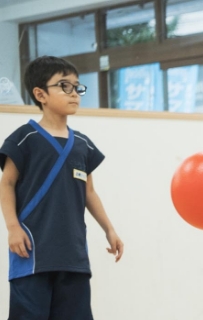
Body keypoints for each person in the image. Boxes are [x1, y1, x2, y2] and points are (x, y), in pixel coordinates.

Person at [0, 56, 124, 319]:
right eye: (64, 86)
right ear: (40, 94)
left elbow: (90, 193)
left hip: (73, 257)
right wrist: (12, 228)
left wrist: (109, 229)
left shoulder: (83, 144)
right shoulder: (25, 138)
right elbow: (6, 183)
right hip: (32, 253)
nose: (74, 94)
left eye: (77, 87)